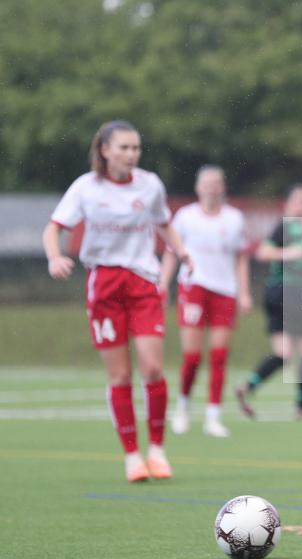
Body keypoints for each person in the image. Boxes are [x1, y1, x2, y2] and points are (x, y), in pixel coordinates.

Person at [42, 120, 192, 482]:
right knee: (120, 373)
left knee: (152, 367)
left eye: (136, 148)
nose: (131, 154)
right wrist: (54, 256)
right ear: (105, 150)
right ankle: (131, 456)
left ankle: (157, 448)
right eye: (123, 147)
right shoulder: (86, 188)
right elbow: (54, 228)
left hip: (142, 282)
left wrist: (182, 251)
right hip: (105, 285)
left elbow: (163, 222)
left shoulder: (150, 184)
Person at [159, 165, 252, 438]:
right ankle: (183, 407)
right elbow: (171, 252)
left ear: (222, 187)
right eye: (207, 183)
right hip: (194, 287)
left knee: (219, 356)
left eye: (217, 183)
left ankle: (213, 416)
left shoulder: (234, 219)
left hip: (225, 290)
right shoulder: (185, 217)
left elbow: (241, 258)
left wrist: (244, 292)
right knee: (193, 356)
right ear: (198, 187)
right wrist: (163, 283)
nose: (212, 188)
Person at [235, 184, 302, 419]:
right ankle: (300, 405)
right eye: (299, 200)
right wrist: (290, 253)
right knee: (298, 351)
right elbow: (263, 252)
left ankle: (250, 387)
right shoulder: (285, 227)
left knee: (296, 353)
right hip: (286, 291)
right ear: (289, 204)